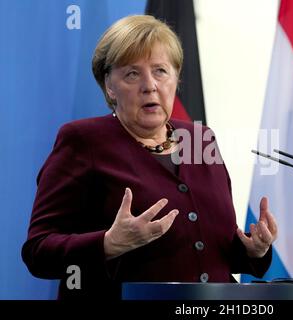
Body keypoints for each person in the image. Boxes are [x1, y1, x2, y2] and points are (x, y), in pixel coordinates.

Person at [22, 15, 278, 299]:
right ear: (109, 85)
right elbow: (38, 251)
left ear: (176, 79)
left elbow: (212, 249)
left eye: (160, 71)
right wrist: (108, 244)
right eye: (132, 73)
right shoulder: (83, 140)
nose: (150, 85)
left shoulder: (200, 138)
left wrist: (254, 250)